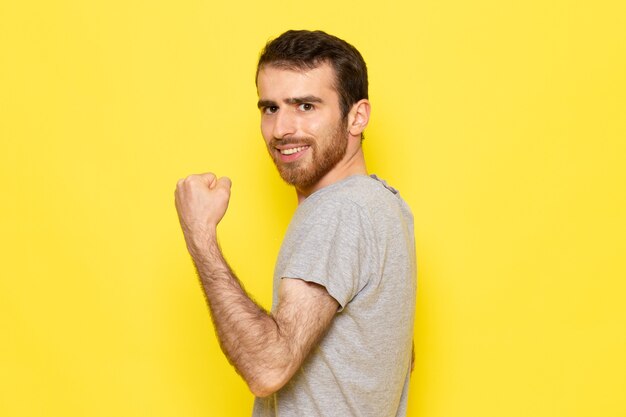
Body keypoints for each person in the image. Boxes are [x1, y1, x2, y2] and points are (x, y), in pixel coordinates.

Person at [175, 30, 417, 417]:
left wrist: (199, 234)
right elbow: (394, 358)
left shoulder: (340, 211)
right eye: (270, 108)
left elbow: (268, 368)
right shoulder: (386, 205)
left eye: (305, 106)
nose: (282, 129)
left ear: (357, 116)